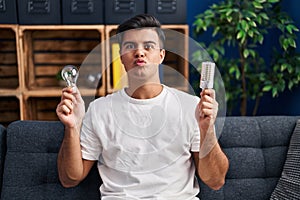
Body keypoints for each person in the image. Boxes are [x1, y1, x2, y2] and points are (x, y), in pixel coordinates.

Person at [56, 14, 229, 199]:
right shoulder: (100, 110)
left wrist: (207, 129)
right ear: (121, 56)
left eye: (148, 46)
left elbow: (215, 181)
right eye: (130, 46)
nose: (140, 52)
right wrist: (72, 127)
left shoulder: (191, 106)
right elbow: (70, 179)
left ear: (161, 55)